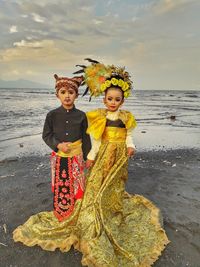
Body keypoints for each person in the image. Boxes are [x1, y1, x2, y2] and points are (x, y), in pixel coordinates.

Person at [71, 59, 170, 266]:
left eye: (117, 99)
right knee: (99, 181)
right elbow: (96, 141)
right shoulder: (100, 117)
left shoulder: (126, 117)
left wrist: (130, 146)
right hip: (105, 153)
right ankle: (99, 204)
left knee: (115, 182)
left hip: (119, 157)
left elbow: (128, 136)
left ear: (122, 100)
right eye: (110, 99)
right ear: (104, 99)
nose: (113, 102)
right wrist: (90, 157)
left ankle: (112, 203)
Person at [13, 74, 91, 250]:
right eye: (63, 92)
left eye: (71, 92)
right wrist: (58, 145)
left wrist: (88, 158)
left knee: (77, 187)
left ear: (76, 95)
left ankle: (76, 216)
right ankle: (62, 215)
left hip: (77, 158)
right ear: (57, 95)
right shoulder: (51, 115)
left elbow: (86, 139)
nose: (67, 95)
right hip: (59, 159)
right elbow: (46, 135)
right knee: (61, 186)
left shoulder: (82, 116)